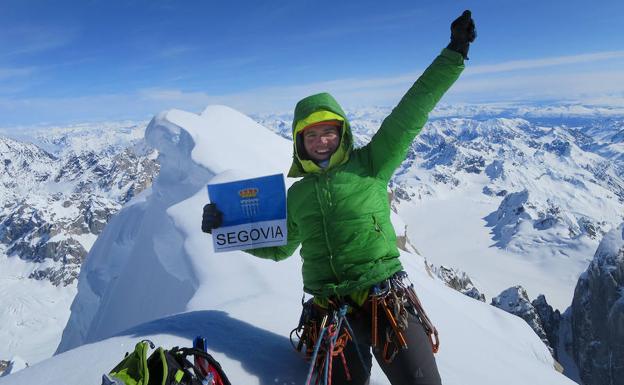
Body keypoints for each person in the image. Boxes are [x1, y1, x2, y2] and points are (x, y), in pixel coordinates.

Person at [202, 10, 476, 385]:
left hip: (385, 294)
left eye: (328, 131)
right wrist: (225, 226)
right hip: (330, 308)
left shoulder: (372, 163)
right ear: (300, 142)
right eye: (311, 135)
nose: (321, 141)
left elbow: (411, 112)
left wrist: (453, 54)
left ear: (342, 132)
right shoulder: (297, 194)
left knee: (421, 380)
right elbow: (279, 245)